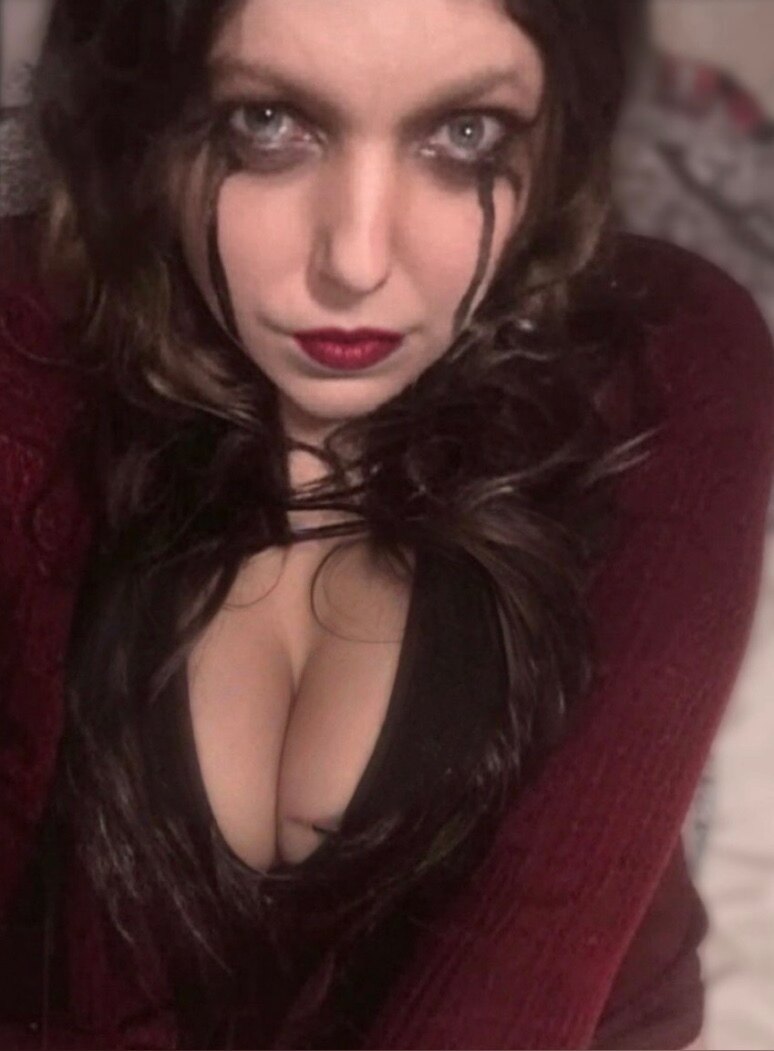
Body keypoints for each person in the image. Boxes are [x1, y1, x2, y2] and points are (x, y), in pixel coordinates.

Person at [0, 1, 772, 1048]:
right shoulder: (36, 351)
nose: (357, 261)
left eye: (464, 133)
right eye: (267, 121)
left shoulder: (665, 361)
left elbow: (528, 980)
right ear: (143, 114)